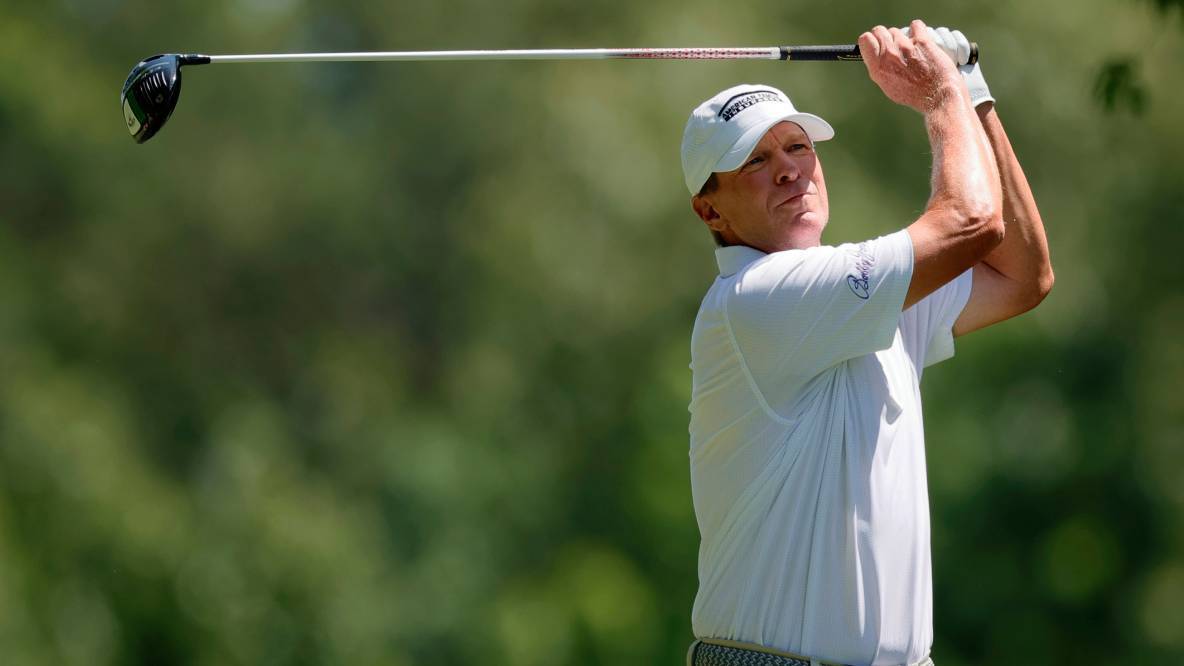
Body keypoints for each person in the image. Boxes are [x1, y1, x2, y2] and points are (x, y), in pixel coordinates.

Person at [681, 20, 1053, 666]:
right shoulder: (758, 297)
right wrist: (941, 95)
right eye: (755, 161)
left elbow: (1022, 277)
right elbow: (970, 221)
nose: (790, 170)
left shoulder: (856, 299)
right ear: (710, 211)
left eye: (798, 147)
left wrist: (972, 90)